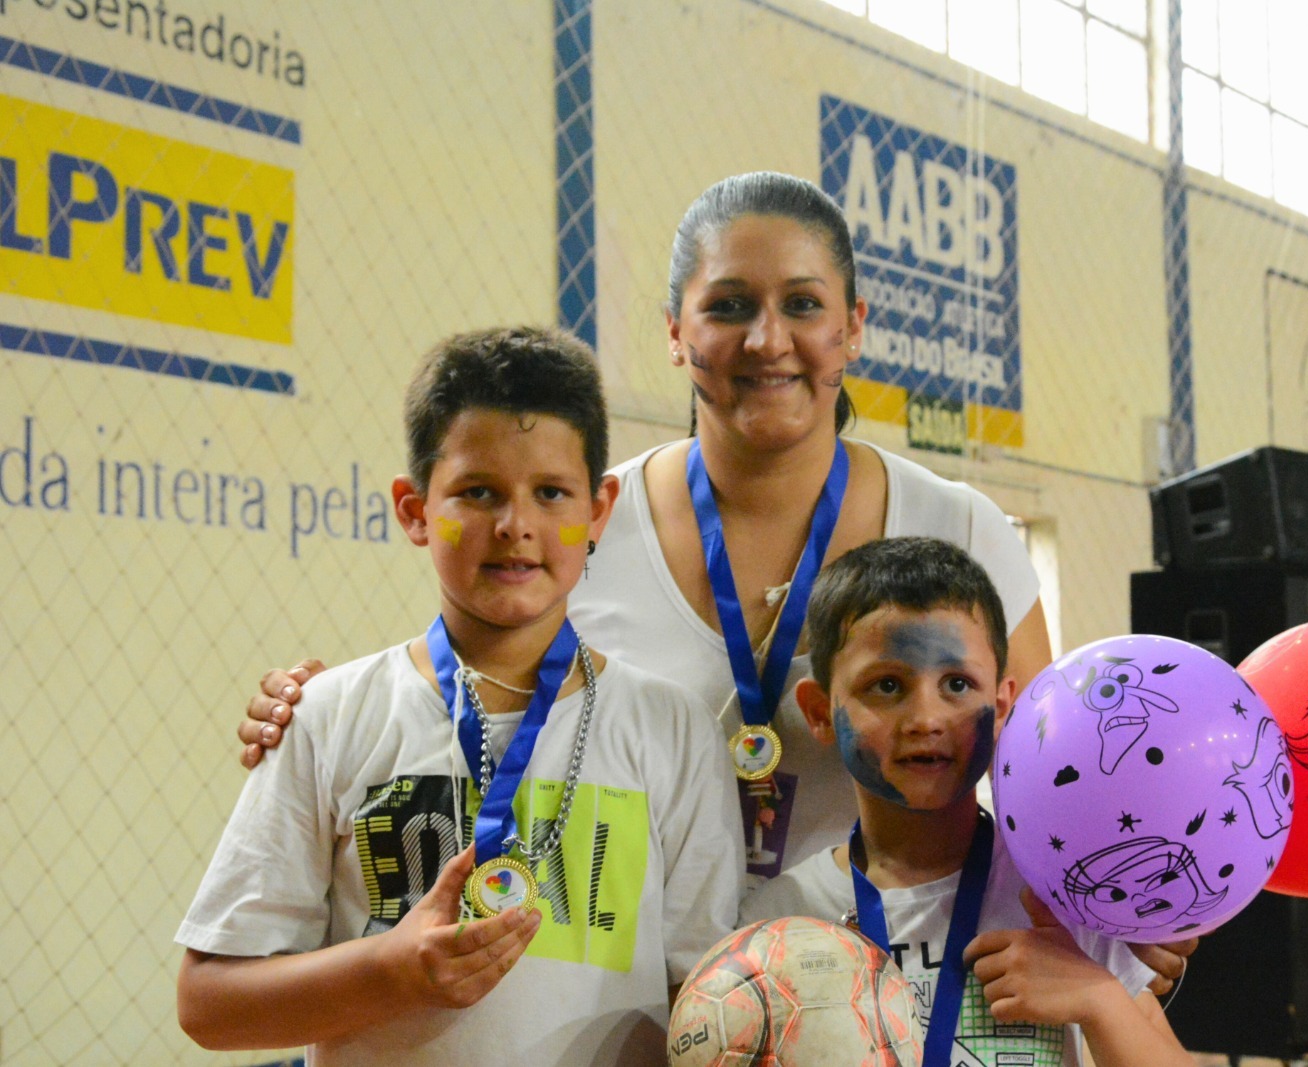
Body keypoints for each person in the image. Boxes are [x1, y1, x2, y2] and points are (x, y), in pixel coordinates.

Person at [233, 172, 1191, 986]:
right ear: (675, 331)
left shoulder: (962, 528)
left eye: (804, 304)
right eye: (729, 305)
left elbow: (1047, 781)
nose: (767, 339)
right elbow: (469, 684)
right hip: (634, 994)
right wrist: (310, 715)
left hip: (886, 987)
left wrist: (1131, 923)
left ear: (853, 327)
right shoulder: (578, 519)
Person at [175, 327, 742, 1065]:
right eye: (478, 493)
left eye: (551, 493)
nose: (516, 525)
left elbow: (707, 1001)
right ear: (414, 510)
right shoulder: (330, 716)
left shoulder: (672, 728)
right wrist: (390, 971)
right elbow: (209, 1003)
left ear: (599, 509)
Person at [742, 537, 1189, 1067]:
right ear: (820, 712)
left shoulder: (1061, 891)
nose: (926, 719)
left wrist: (1098, 998)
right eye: (886, 685)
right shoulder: (781, 921)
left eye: (957, 683)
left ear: (1001, 707)